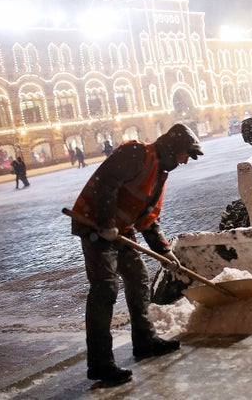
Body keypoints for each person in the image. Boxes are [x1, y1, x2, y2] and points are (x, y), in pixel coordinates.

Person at [70, 122, 203, 385]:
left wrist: (165, 253)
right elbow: (106, 183)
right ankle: (100, 364)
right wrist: (106, 222)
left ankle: (144, 341)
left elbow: (148, 219)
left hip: (120, 230)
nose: (186, 161)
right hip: (95, 225)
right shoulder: (137, 153)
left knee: (138, 279)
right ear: (174, 148)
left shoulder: (159, 174)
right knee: (105, 289)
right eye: (186, 154)